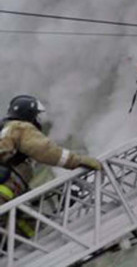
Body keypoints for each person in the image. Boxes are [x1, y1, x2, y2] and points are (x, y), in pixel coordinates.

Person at [0, 95, 102, 237]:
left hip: (8, 198)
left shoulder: (4, 130)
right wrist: (78, 160)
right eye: (36, 116)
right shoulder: (19, 127)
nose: (38, 121)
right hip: (4, 198)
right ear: (29, 115)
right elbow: (47, 152)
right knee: (34, 235)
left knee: (17, 234)